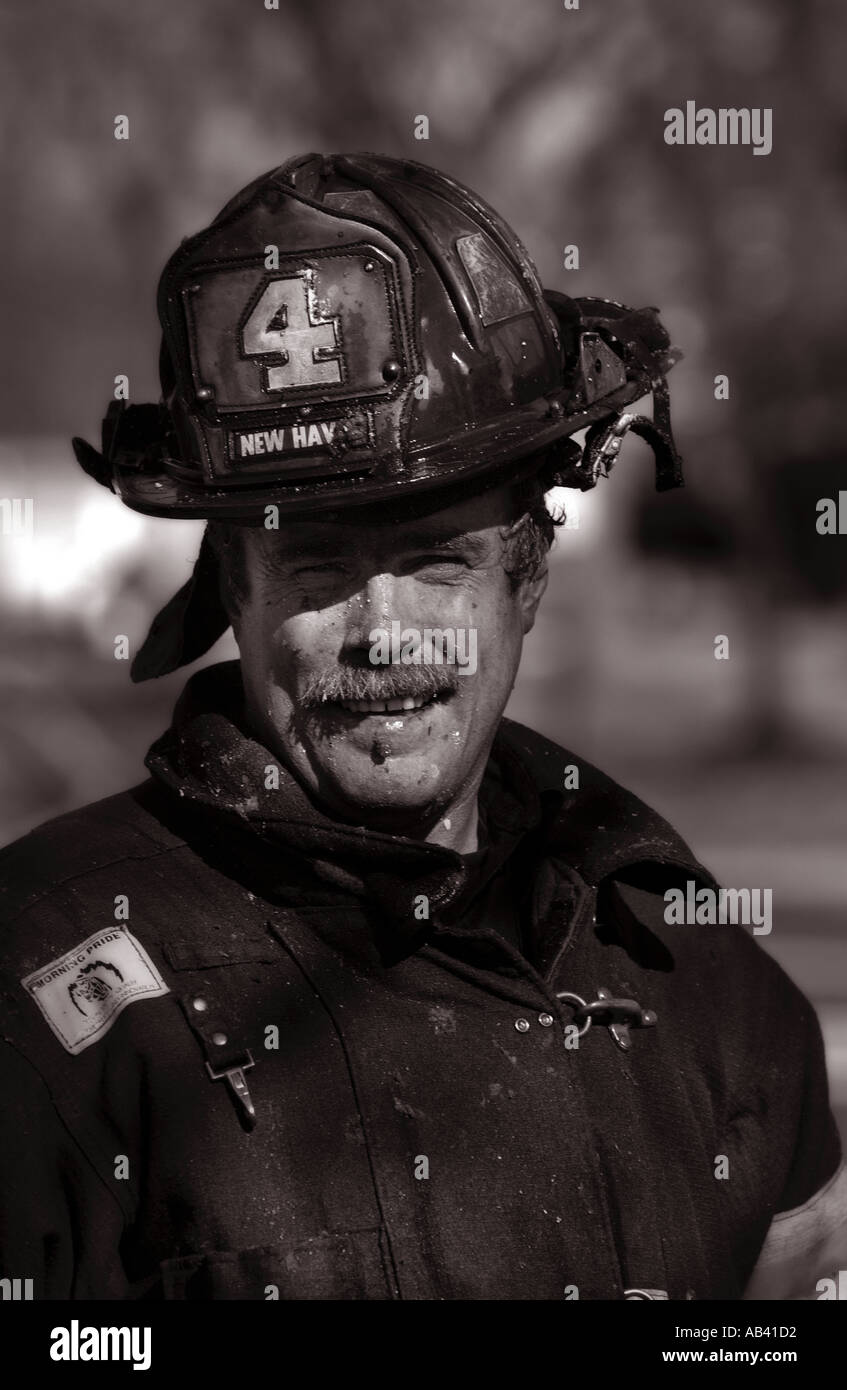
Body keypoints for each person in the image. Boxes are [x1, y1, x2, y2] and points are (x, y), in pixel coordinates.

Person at [0, 154, 843, 1301]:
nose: (385, 636)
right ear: (231, 597)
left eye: (438, 563)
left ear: (527, 580)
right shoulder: (41, 1005)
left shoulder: (705, 985)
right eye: (317, 568)